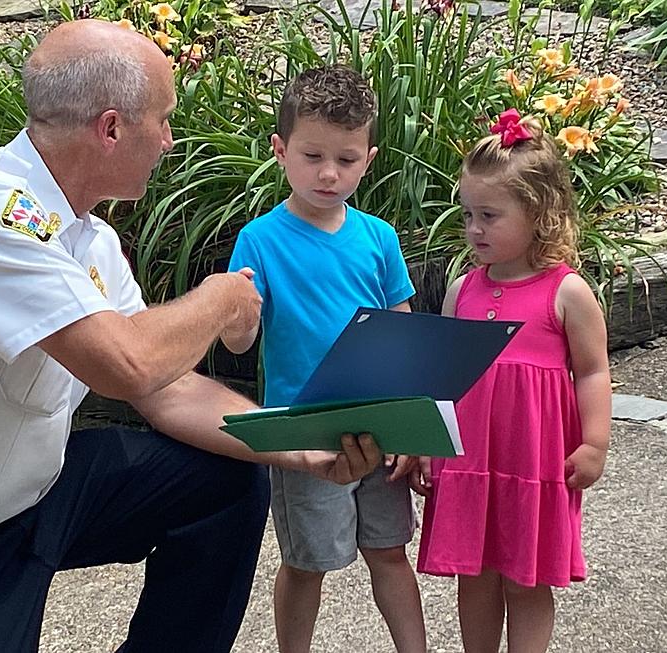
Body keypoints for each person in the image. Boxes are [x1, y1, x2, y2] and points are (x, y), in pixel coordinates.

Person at [0, 20, 385, 653]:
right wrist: (223, 296)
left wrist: (300, 447)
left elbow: (166, 392)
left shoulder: (93, 239)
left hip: (28, 507)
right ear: (111, 128)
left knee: (222, 483)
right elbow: (128, 365)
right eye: (164, 119)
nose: (171, 139)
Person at [222, 65, 427, 653]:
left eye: (347, 157)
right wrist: (238, 315)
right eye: (312, 156)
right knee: (308, 561)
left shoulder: (378, 237)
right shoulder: (260, 240)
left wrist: (413, 422)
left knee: (389, 550)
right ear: (280, 150)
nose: (330, 173)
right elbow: (239, 342)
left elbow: (401, 331)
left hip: (379, 420)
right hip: (304, 427)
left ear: (370, 157)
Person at [416, 109, 612, 652]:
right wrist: (429, 444)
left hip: (534, 461)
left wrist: (594, 443)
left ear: (539, 214)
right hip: (471, 461)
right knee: (473, 575)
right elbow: (445, 377)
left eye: (490, 216)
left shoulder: (566, 292)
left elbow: (593, 370)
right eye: (468, 214)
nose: (474, 228)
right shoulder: (463, 291)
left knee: (527, 580)